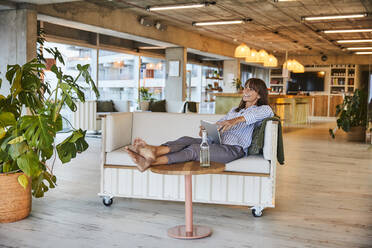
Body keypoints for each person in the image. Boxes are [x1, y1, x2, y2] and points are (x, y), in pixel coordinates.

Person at [125, 78, 274, 172]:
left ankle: (152, 161)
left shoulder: (264, 109)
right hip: (218, 144)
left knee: (196, 149)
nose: (246, 91)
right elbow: (219, 125)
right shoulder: (234, 110)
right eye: (246, 87)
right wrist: (206, 130)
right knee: (185, 140)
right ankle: (153, 151)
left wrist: (234, 121)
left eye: (251, 89)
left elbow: (254, 115)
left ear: (259, 95)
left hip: (234, 150)